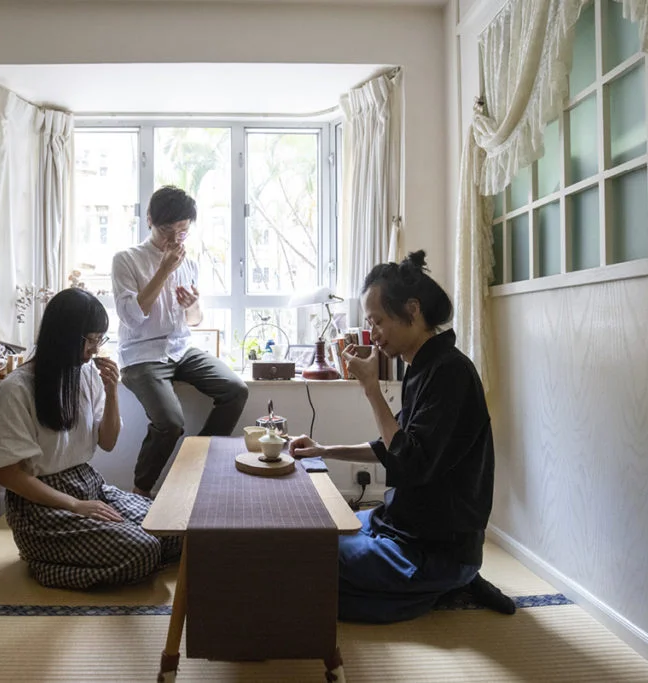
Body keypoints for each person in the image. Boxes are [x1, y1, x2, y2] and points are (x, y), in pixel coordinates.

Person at [289, 250, 516, 623]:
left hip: (431, 549)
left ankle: (443, 586)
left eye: (377, 322)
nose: (372, 333)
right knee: (310, 535)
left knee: (308, 577)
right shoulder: (422, 368)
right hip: (397, 525)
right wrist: (323, 449)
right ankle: (443, 585)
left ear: (412, 310)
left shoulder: (451, 374)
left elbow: (408, 460)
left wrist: (371, 390)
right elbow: (391, 447)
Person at [0, 288, 179, 589]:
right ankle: (43, 563)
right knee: (144, 549)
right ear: (65, 336)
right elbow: (9, 475)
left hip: (89, 485)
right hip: (41, 508)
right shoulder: (18, 388)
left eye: (99, 339)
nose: (95, 349)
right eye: (90, 339)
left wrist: (113, 392)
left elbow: (108, 442)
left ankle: (97, 554)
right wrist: (74, 506)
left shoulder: (86, 374)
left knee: (172, 529)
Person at [112, 185, 248, 498]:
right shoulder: (126, 260)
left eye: (183, 231)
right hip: (141, 355)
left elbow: (194, 321)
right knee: (171, 423)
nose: (174, 239)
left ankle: (197, 466)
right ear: (149, 219)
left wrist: (192, 305)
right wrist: (163, 270)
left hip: (180, 348)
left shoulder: (190, 262)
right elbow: (132, 317)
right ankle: (140, 490)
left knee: (235, 390)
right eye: (166, 230)